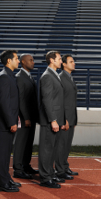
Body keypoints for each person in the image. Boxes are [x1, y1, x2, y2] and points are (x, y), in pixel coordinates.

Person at [38, 51, 70, 188]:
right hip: (50, 120)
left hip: (57, 119)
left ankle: (50, 174)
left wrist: (62, 119)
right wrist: (53, 120)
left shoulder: (54, 75)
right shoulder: (47, 76)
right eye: (58, 59)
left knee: (52, 149)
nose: (61, 62)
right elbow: (47, 100)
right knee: (47, 149)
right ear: (51, 60)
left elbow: (58, 100)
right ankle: (45, 178)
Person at [0, 50, 21, 192]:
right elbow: (4, 103)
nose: (19, 61)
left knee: (6, 155)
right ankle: (2, 184)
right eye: (16, 58)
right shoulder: (4, 77)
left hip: (9, 122)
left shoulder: (9, 76)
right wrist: (11, 122)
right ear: (9, 61)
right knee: (3, 155)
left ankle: (6, 179)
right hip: (5, 124)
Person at [13, 54, 39, 179]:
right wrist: (26, 117)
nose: (33, 62)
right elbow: (21, 99)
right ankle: (17, 169)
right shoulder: (19, 77)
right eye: (31, 60)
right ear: (23, 62)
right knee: (21, 142)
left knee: (29, 142)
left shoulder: (29, 77)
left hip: (31, 117)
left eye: (33, 60)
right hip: (24, 118)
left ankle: (26, 165)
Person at [59, 54, 78, 176]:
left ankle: (64, 166)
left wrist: (73, 119)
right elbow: (61, 101)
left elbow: (72, 100)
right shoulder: (61, 78)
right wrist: (64, 118)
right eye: (71, 61)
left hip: (71, 117)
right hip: (65, 118)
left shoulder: (69, 77)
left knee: (67, 145)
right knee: (61, 145)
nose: (74, 63)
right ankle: (60, 170)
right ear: (64, 64)